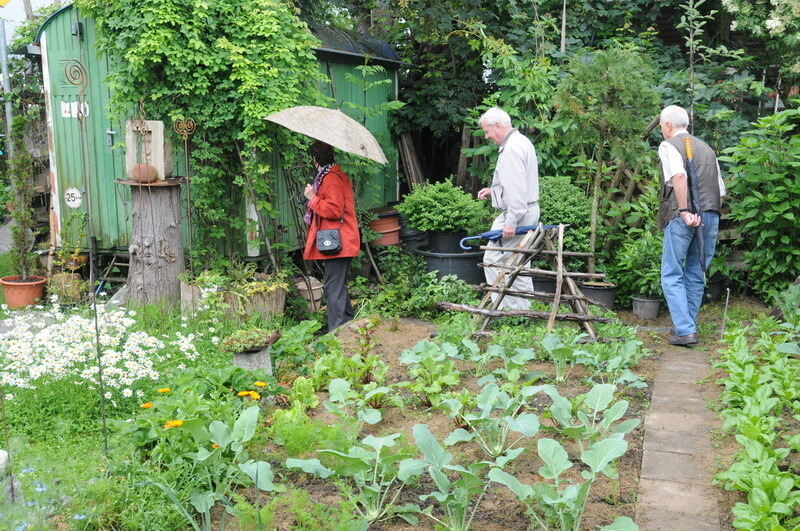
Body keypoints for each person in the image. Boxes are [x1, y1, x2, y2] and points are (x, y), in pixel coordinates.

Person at [657, 105, 726, 346]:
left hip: (682, 216)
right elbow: (721, 189)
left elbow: (678, 176)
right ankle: (687, 327)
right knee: (697, 272)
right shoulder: (707, 149)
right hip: (711, 215)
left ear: (667, 125)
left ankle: (685, 329)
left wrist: (685, 211)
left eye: (661, 126)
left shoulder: (669, 145)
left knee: (671, 273)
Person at [476, 106, 540, 309]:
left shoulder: (511, 148)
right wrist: (494, 191)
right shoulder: (521, 141)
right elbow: (518, 183)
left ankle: (506, 309)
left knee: (493, 258)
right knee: (517, 261)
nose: (486, 136)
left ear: (498, 126)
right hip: (527, 209)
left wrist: (511, 221)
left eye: (487, 131)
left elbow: (517, 189)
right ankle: (522, 310)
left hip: (518, 213)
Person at [303, 141, 360, 331]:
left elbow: (335, 211)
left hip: (339, 242)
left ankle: (336, 333)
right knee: (337, 287)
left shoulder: (332, 178)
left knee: (333, 288)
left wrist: (313, 198)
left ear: (314, 159)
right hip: (338, 240)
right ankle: (348, 326)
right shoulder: (330, 175)